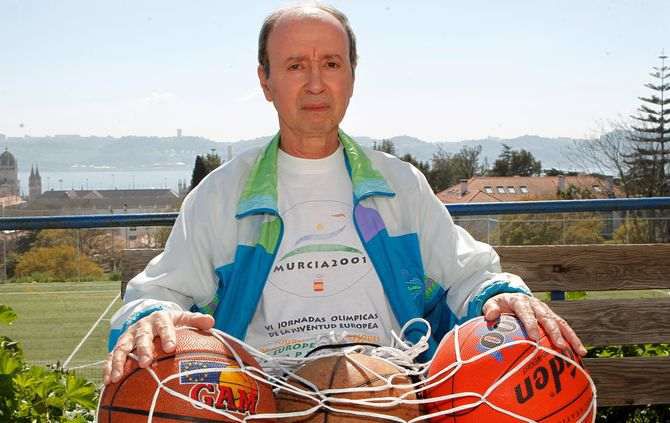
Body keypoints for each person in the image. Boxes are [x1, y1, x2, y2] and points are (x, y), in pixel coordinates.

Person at [104, 3, 585, 385]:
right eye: (295, 65)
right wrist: (154, 316)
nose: (315, 82)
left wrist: (499, 296)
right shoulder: (222, 193)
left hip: (390, 395)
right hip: (268, 399)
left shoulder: (398, 184)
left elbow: (468, 275)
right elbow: (163, 291)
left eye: (331, 63)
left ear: (352, 75)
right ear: (265, 80)